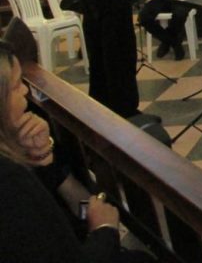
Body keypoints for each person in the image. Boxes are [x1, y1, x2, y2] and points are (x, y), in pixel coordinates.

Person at [0, 41, 151, 262]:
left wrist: (44, 159)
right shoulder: (9, 182)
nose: (25, 89)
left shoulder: (18, 152)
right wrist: (104, 229)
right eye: (15, 86)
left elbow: (78, 207)